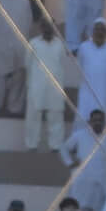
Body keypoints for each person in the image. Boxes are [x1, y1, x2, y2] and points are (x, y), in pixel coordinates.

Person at [24, 16, 70, 151]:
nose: (48, 28)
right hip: (36, 88)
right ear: (41, 27)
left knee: (56, 118)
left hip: (55, 88)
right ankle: (31, 145)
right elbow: (27, 65)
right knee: (33, 119)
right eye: (46, 25)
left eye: (51, 26)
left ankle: (56, 146)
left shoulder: (60, 45)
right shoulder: (33, 43)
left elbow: (63, 65)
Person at [74, 17, 106, 120]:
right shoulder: (84, 47)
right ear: (93, 31)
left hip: (105, 90)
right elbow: (80, 64)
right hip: (87, 91)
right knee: (84, 116)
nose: (99, 32)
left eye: (102, 29)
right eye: (97, 29)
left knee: (105, 117)